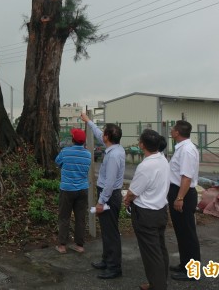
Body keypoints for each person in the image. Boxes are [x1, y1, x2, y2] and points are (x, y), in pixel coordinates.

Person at [81, 112, 125, 279]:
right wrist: (89, 121)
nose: (102, 135)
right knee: (106, 231)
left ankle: (114, 267)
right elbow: (99, 134)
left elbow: (109, 182)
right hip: (109, 195)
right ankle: (107, 260)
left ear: (108, 137)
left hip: (109, 196)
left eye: (104, 133)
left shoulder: (113, 155)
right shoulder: (115, 148)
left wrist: (101, 202)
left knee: (111, 232)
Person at [124, 129, 170, 290]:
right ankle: (158, 282)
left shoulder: (145, 166)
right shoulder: (163, 159)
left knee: (151, 254)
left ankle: (158, 285)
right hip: (160, 210)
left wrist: (127, 200)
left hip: (146, 213)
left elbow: (133, 192)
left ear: (142, 145)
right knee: (159, 248)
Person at [168, 120, 201, 281]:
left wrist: (179, 197)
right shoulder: (182, 148)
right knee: (181, 232)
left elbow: (186, 177)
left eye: (172, 128)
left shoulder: (187, 150)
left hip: (183, 193)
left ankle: (192, 271)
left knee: (187, 233)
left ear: (177, 133)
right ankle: (185, 264)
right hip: (179, 191)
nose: (171, 130)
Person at [55, 128, 91, 254]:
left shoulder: (65, 152)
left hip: (67, 189)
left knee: (64, 216)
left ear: (73, 140)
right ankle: (79, 245)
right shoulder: (88, 154)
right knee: (80, 217)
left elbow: (57, 162)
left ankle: (62, 245)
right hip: (82, 189)